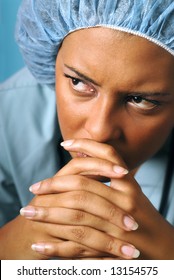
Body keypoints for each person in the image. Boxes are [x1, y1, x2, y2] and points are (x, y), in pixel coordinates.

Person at [0, 0, 174, 260]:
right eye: (78, 82)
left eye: (141, 100)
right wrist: (9, 246)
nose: (99, 130)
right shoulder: (10, 111)